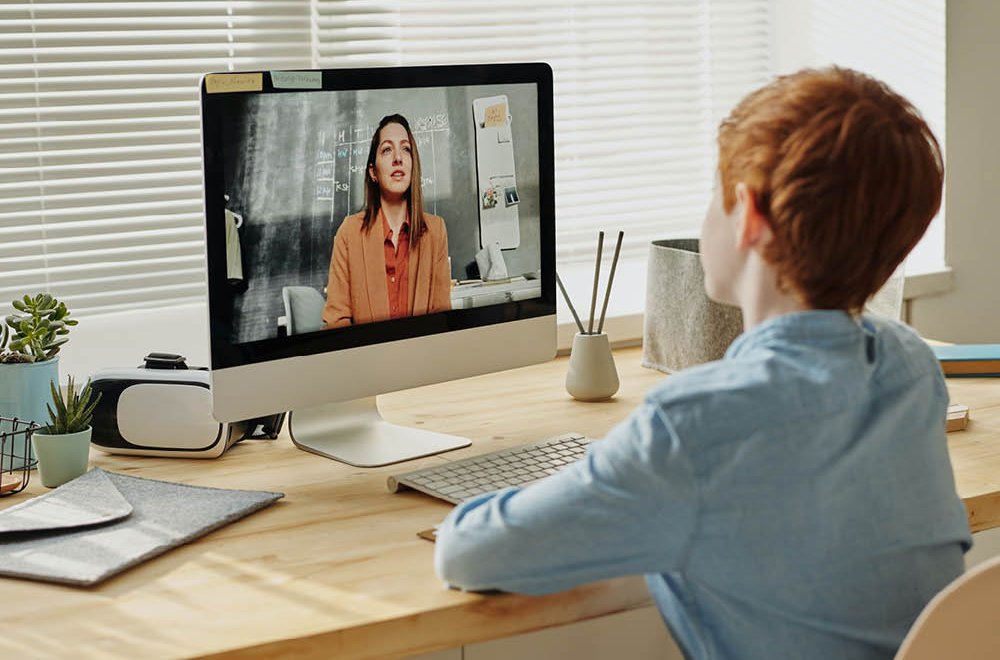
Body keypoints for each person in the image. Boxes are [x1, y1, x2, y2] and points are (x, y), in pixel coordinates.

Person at [434, 67, 972, 659]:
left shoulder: (694, 426)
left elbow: (468, 553)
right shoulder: (910, 368)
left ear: (748, 215)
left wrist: (590, 485)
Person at [323, 114, 451, 328]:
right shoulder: (349, 233)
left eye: (406, 149)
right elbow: (337, 322)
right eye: (387, 150)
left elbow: (441, 320)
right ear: (373, 171)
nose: (398, 158)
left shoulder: (436, 232)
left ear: (413, 165)